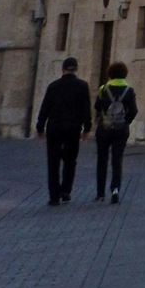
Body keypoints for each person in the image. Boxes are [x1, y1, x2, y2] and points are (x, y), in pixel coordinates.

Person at [35, 57, 92, 205]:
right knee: (70, 160)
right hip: (73, 128)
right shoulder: (82, 86)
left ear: (63, 69)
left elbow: (45, 108)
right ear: (76, 69)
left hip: (54, 128)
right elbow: (86, 108)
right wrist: (87, 128)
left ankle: (54, 196)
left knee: (53, 162)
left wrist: (40, 127)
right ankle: (66, 190)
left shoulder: (53, 86)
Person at [94, 61, 138, 203]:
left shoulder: (103, 89)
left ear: (110, 73)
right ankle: (115, 190)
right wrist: (126, 122)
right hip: (121, 130)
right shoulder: (129, 90)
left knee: (102, 160)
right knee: (117, 160)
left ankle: (100, 193)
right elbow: (134, 110)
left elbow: (97, 106)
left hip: (104, 129)